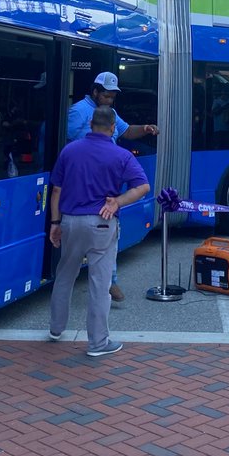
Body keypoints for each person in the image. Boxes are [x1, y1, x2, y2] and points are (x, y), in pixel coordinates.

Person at [48, 105, 150, 356]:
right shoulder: (121, 155)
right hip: (103, 223)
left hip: (71, 221)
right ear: (113, 128)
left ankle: (56, 328)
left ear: (91, 124)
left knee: (65, 275)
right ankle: (98, 343)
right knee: (100, 283)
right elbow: (143, 187)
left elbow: (57, 191)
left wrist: (55, 223)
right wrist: (117, 201)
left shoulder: (69, 151)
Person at [66, 72, 158, 302]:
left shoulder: (112, 114)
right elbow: (63, 142)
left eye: (112, 97)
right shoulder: (78, 112)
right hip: (84, 180)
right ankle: (88, 279)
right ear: (95, 92)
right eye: (106, 96)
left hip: (105, 181)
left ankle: (109, 281)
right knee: (93, 232)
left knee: (108, 233)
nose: (109, 100)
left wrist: (145, 128)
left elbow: (126, 132)